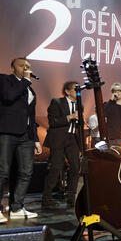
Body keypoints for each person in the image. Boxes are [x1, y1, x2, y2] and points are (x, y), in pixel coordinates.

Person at [0, 57, 41, 222]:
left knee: (26, 172)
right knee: (2, 171)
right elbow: (9, 96)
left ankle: (17, 207)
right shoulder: (4, 80)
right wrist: (25, 80)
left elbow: (31, 116)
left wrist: (36, 139)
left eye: (28, 66)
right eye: (22, 65)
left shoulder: (30, 89)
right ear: (12, 68)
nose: (26, 67)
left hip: (26, 136)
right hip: (7, 132)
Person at [41, 81, 82, 208]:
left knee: (75, 167)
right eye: (76, 90)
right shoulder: (56, 102)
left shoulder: (80, 105)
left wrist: (80, 120)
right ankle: (46, 198)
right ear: (67, 91)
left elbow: (79, 124)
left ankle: (71, 198)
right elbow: (53, 122)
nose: (78, 92)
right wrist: (70, 117)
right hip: (58, 139)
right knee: (56, 168)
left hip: (72, 139)